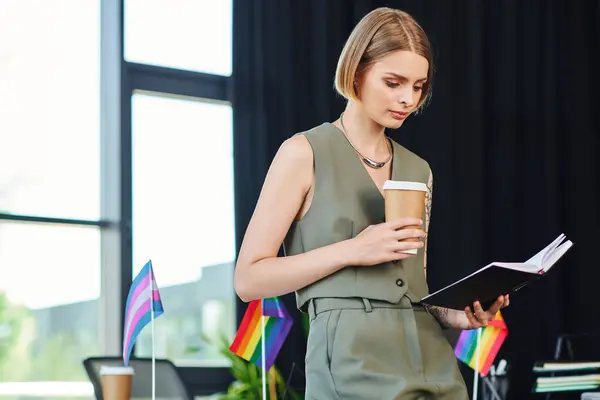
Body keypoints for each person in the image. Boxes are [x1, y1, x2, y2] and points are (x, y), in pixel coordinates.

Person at [234, 7, 509, 400]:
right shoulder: (303, 153)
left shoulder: (420, 170)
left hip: (430, 359)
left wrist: (454, 315)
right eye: (394, 82)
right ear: (356, 72)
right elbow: (249, 280)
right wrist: (354, 250)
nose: (407, 99)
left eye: (418, 86)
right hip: (350, 360)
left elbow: (410, 288)